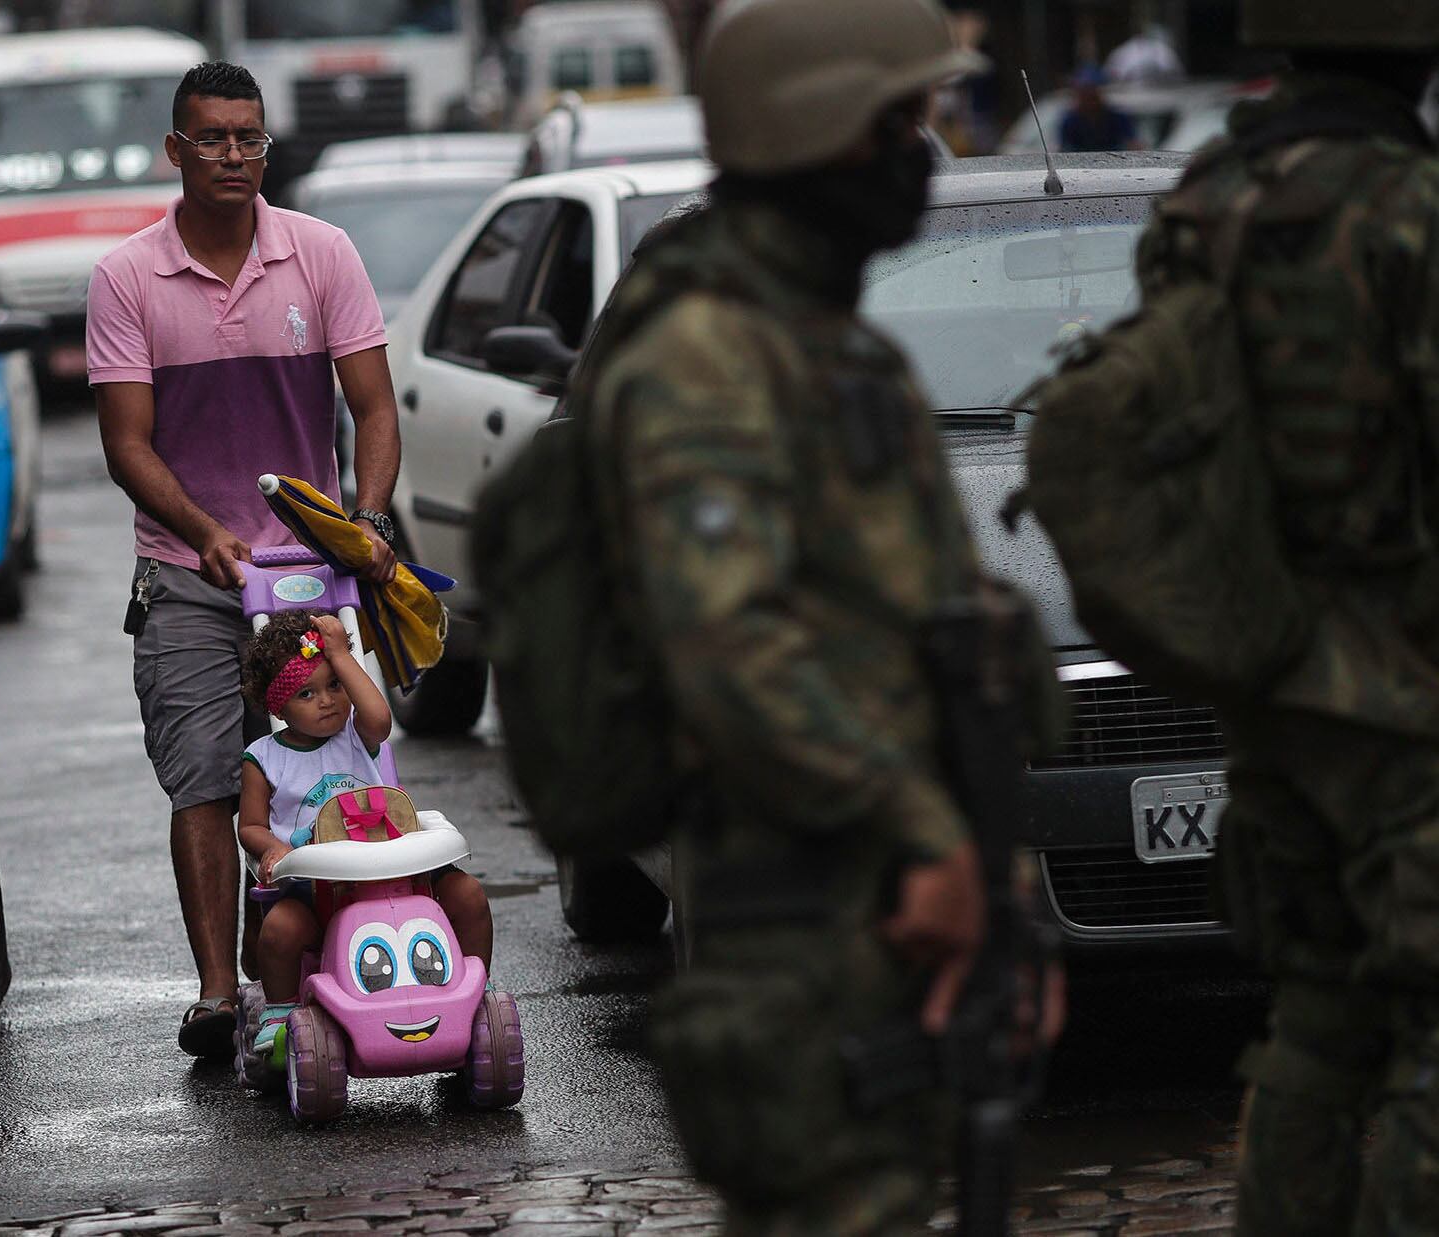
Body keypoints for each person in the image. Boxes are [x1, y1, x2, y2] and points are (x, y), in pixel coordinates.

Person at [567, 0, 1060, 1231]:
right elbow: (728, 648)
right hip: (793, 921)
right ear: (811, 131)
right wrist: (925, 836)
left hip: (905, 905)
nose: (925, 151)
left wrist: (993, 889)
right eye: (898, 121)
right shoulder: (702, 357)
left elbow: (936, 638)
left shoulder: (841, 351)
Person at [1091, 6, 1439, 1230]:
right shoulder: (1405, 202)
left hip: (1265, 686)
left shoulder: (1203, 202)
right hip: (1404, 689)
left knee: (1318, 1019)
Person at [85, 61, 405, 1059]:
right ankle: (218, 995)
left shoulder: (320, 253)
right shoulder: (125, 277)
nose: (232, 154)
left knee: (334, 765)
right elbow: (126, 443)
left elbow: (374, 406)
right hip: (185, 575)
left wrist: (365, 517)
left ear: (267, 147)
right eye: (212, 138)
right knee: (205, 783)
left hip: (306, 583)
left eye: (248, 137)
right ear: (175, 150)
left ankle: (333, 960)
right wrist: (203, 533)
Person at [234, 611, 493, 1062]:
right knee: (280, 929)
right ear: (277, 706)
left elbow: (379, 716)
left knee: (467, 893)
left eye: (335, 685)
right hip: (317, 890)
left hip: (397, 877)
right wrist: (273, 848)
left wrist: (339, 652)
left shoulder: (357, 737)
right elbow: (250, 826)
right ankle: (280, 1012)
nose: (327, 702)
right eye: (307, 693)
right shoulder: (264, 758)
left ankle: (473, 991)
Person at [1058, 66, 1141, 152]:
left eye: (1092, 93)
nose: (1088, 99)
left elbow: (1133, 145)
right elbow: (1063, 149)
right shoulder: (1070, 122)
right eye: (1084, 93)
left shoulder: (1119, 119)